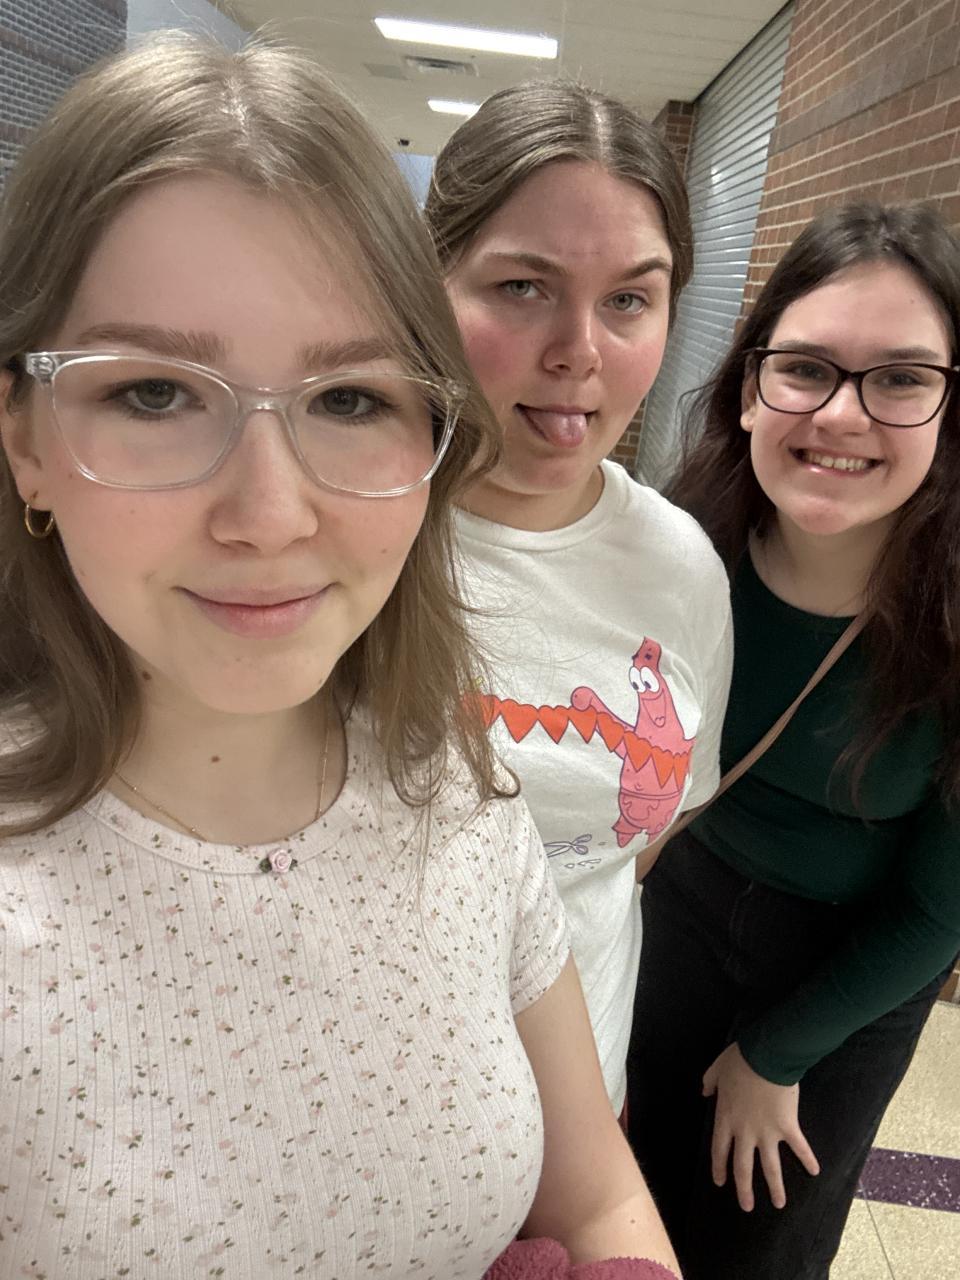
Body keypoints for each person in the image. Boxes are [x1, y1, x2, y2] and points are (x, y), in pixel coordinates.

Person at [0, 36, 682, 1279]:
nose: (269, 514)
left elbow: (597, 1196)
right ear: (25, 438)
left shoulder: (460, 791)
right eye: (155, 393)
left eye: (349, 399)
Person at [626, 201, 960, 1279]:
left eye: (901, 379)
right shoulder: (683, 543)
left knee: (758, 1245)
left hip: (850, 968)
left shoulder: (948, 618)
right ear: (749, 385)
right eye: (806, 368)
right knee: (626, 1207)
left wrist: (777, 1056)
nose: (843, 414)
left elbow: (940, 911)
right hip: (678, 911)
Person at [425, 83, 733, 1116]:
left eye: (630, 300)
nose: (579, 349)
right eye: (523, 286)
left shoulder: (681, 566)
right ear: (427, 282)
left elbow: (643, 838)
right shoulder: (343, 533)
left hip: (578, 1110)